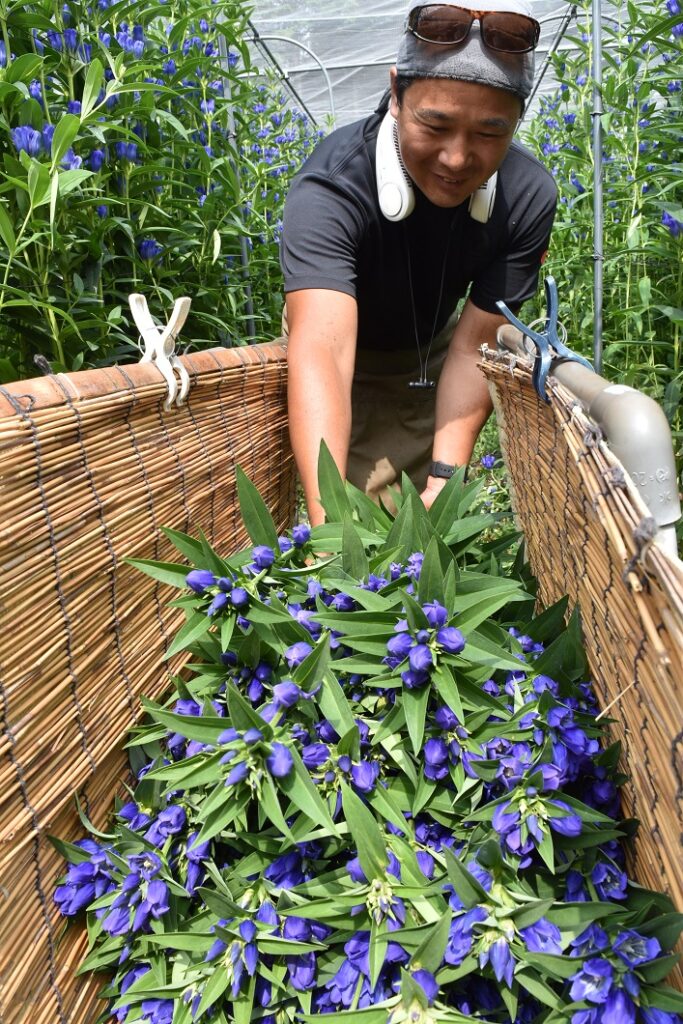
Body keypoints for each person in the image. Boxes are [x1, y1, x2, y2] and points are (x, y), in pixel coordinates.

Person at [280, 0, 557, 526]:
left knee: (416, 520)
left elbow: (475, 341)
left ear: (518, 121)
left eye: (489, 134)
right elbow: (322, 348)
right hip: (340, 343)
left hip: (432, 348)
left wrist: (444, 483)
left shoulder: (526, 197)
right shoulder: (333, 187)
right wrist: (328, 528)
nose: (456, 159)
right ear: (395, 94)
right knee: (350, 516)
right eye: (435, 125)